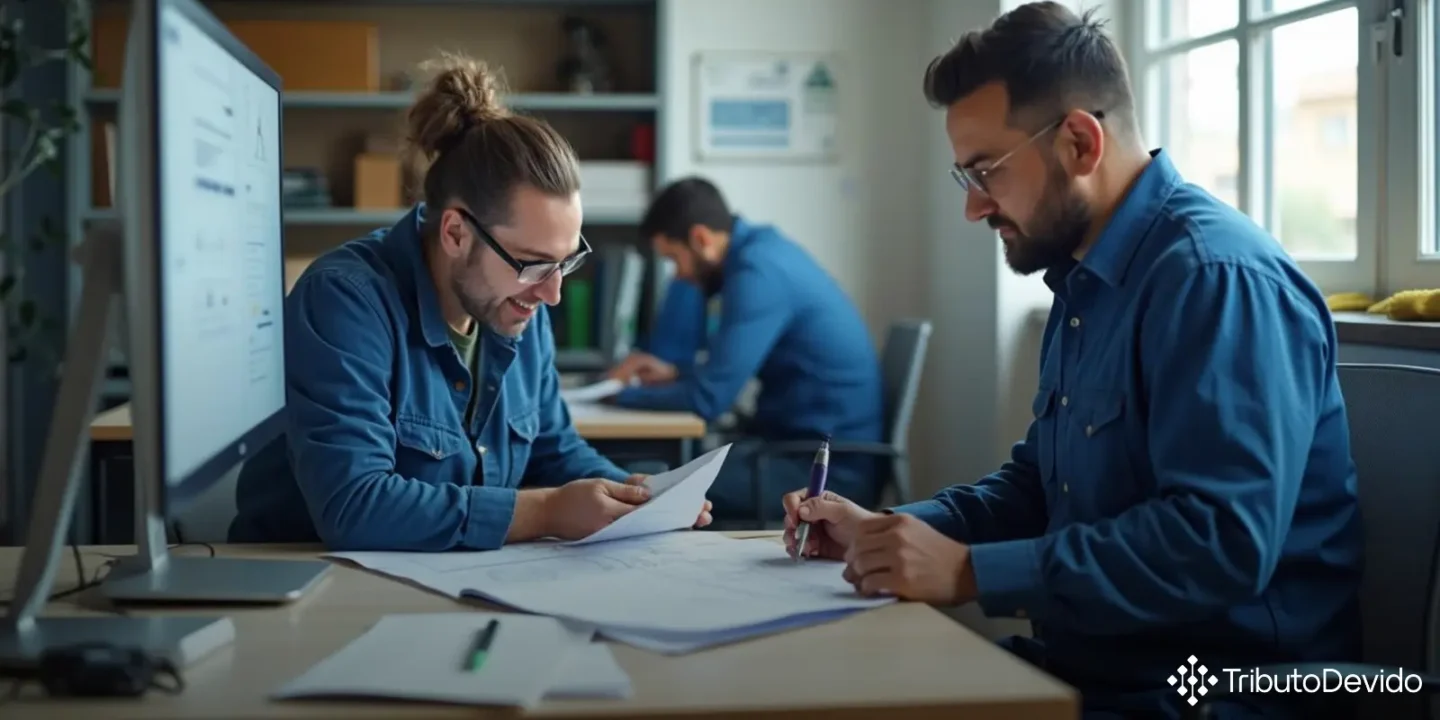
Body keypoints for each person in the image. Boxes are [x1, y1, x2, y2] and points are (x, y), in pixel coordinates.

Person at [782, 4, 1361, 718]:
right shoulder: (1086, 275)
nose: (974, 208)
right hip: (1096, 667)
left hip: (1208, 691)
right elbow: (1041, 486)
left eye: (984, 171)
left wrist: (967, 571)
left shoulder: (1214, 279)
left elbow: (1220, 544)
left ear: (1080, 143)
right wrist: (892, 532)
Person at [229, 53, 710, 551]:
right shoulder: (344, 302)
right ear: (456, 232)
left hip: (448, 580)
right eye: (532, 262)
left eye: (565, 261)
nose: (553, 293)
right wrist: (546, 509)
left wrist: (641, 501)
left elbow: (554, 450)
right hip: (313, 588)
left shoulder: (520, 302)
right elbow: (355, 505)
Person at [607, 177, 885, 521]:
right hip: (796, 449)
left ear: (700, 239)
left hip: (823, 471)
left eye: (674, 259)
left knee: (657, 485)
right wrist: (677, 374)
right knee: (657, 473)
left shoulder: (758, 273)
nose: (679, 275)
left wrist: (617, 394)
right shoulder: (762, 252)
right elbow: (722, 374)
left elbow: (708, 399)